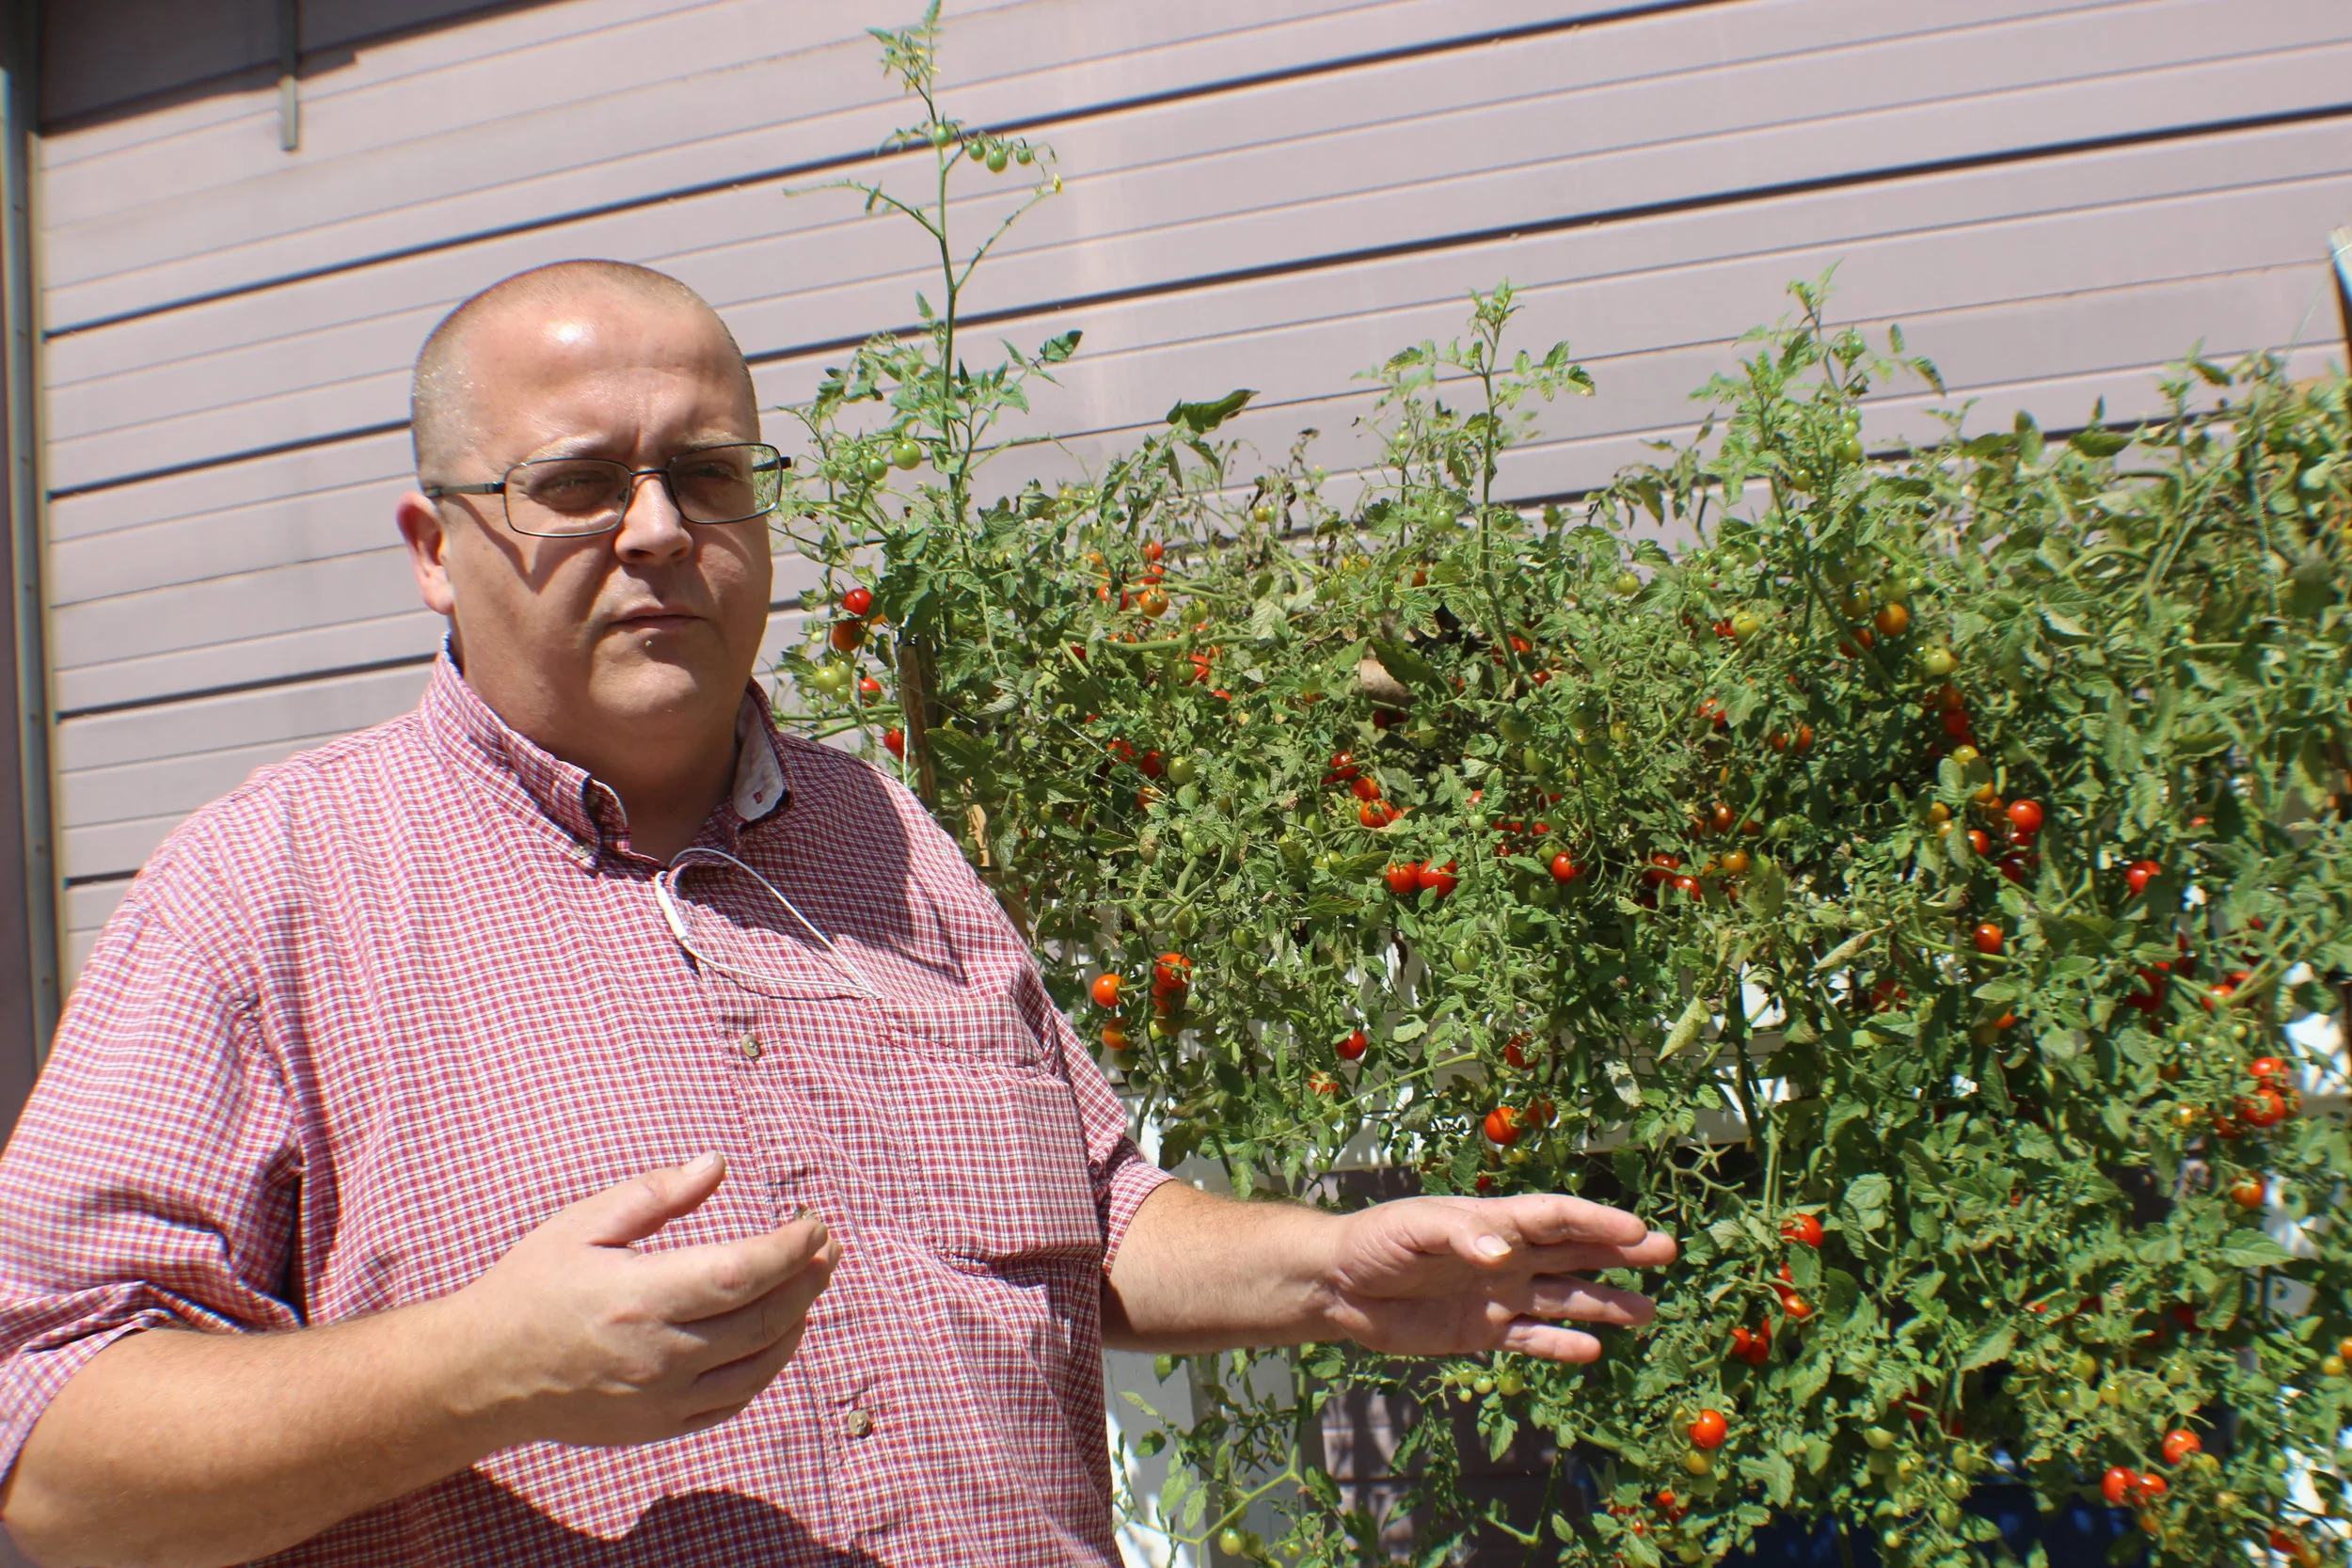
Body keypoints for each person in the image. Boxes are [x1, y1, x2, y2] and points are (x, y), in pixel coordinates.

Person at [0, 261, 1676, 1567]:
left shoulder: (882, 835)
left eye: (706, 472)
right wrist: (476, 1374)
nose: (658, 530)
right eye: (576, 483)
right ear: (437, 546)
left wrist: (1328, 1271)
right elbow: (47, 1452)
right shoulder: (273, 891)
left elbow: (1092, 1211)